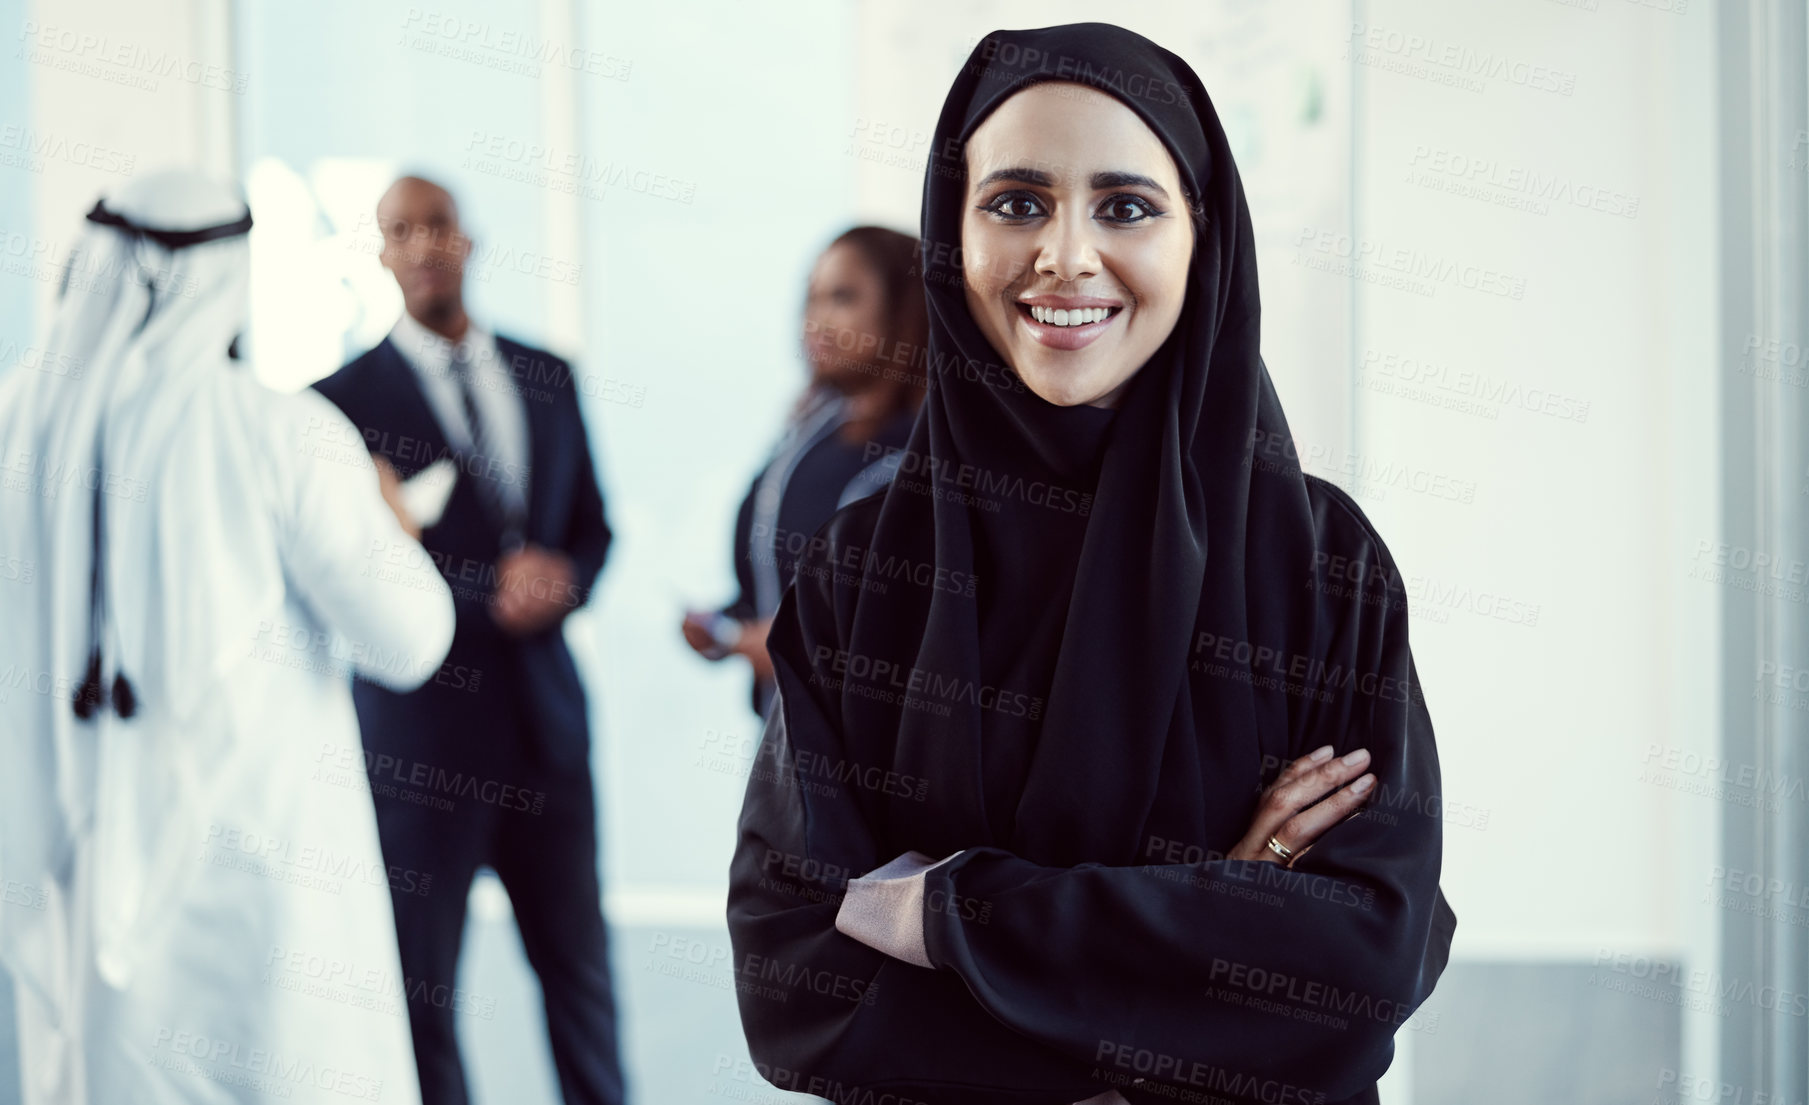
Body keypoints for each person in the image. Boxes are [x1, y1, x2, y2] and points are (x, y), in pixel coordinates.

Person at [727, 24, 1458, 1105]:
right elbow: (795, 991)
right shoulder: (862, 571)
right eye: (1017, 202)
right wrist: (1211, 918)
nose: (1065, 255)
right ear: (951, 234)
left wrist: (946, 912)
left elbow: (1360, 970)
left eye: (1126, 207)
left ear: (1201, 240)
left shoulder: (1320, 560)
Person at [0, 170, 455, 1104]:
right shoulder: (276, 431)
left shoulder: (21, 423)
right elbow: (409, 642)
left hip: (88, 911)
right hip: (271, 917)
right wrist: (389, 521)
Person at [313, 176, 625, 1105]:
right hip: (420, 748)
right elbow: (350, 567)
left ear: (467, 238)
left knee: (581, 981)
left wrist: (565, 576)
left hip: (547, 733)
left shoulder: (546, 373)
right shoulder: (334, 403)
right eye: (397, 230)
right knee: (421, 993)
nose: (420, 245)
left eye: (435, 224)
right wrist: (488, 591)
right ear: (379, 254)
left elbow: (594, 525)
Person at [681, 226, 927, 716]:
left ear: (903, 308)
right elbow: (775, 581)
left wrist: (793, 650)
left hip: (873, 760)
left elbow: (916, 634)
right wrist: (729, 624)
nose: (815, 320)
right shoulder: (808, 433)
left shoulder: (928, 450)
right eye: (811, 298)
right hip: (785, 740)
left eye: (842, 296)